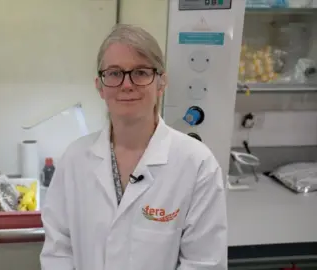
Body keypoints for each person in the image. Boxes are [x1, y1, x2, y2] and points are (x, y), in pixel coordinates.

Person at [40, 24, 227, 270]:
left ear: (161, 83)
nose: (127, 85)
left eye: (140, 72)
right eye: (115, 73)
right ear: (100, 86)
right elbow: (58, 251)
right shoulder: (75, 159)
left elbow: (204, 264)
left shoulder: (197, 165)